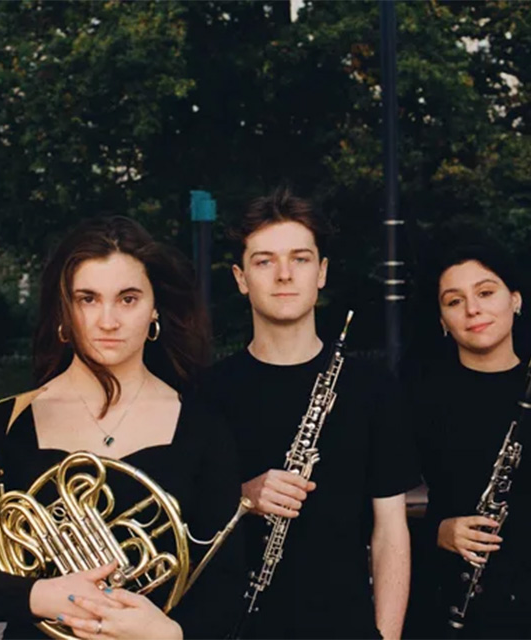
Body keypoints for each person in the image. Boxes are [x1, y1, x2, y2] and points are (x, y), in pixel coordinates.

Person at [0, 216, 246, 639]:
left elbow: (228, 584)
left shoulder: (202, 426)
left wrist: (170, 634)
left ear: (154, 308)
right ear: (64, 312)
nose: (108, 320)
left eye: (128, 299)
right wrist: (44, 595)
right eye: (87, 299)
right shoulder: (11, 425)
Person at [205, 188, 418, 639]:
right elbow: (188, 526)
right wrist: (242, 498)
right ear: (241, 278)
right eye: (264, 261)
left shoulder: (372, 386)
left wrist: (387, 636)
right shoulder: (207, 393)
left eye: (300, 259)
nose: (284, 275)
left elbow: (391, 531)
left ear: (320, 273)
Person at [411, 244, 530, 639]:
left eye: (485, 292)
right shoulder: (417, 399)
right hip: (453, 603)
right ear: (443, 319)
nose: (472, 310)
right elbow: (377, 512)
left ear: (515, 299)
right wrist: (440, 533)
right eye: (454, 300)